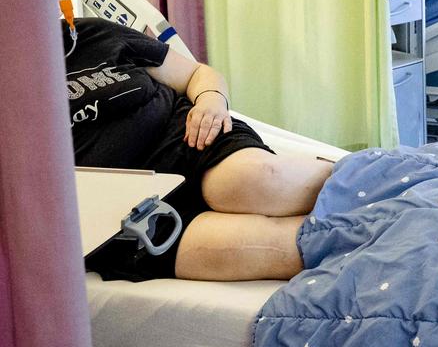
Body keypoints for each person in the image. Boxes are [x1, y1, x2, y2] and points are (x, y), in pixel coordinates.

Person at [65, 15, 333, 281]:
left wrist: (211, 100)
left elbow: (196, 73)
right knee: (281, 245)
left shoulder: (91, 34)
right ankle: (372, 240)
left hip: (188, 140)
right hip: (119, 211)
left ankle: (370, 186)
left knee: (258, 180)